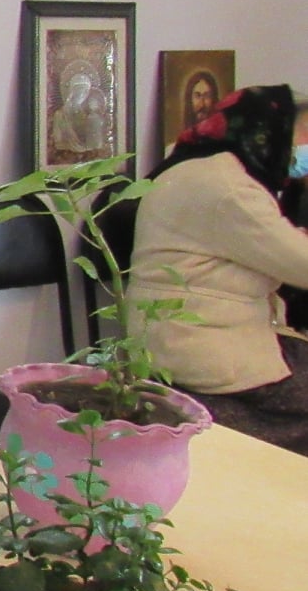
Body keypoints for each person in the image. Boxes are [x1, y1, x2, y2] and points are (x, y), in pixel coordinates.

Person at [129, 85, 308, 456]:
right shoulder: (228, 186)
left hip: (187, 337)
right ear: (266, 131)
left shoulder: (203, 167)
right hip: (204, 349)